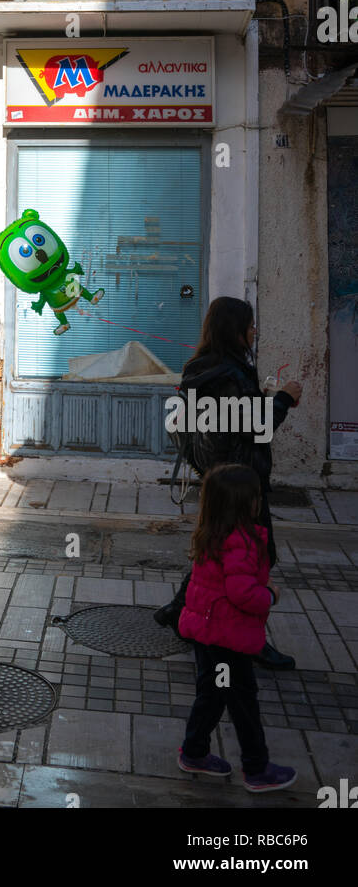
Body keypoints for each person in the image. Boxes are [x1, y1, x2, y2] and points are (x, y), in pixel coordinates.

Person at [154, 296, 302, 670]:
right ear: (234, 330)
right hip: (240, 481)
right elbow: (254, 427)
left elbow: (228, 421)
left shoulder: (204, 367)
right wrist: (283, 400)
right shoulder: (230, 375)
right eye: (250, 326)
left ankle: (178, 610)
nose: (254, 332)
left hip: (218, 476)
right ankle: (251, 642)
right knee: (255, 557)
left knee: (219, 550)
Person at [177, 463, 297, 792]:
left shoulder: (210, 533)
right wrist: (269, 595)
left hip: (207, 633)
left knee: (212, 696)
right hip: (227, 638)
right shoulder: (240, 541)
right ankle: (256, 769)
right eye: (257, 496)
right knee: (244, 703)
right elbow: (242, 594)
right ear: (247, 504)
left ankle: (194, 752)